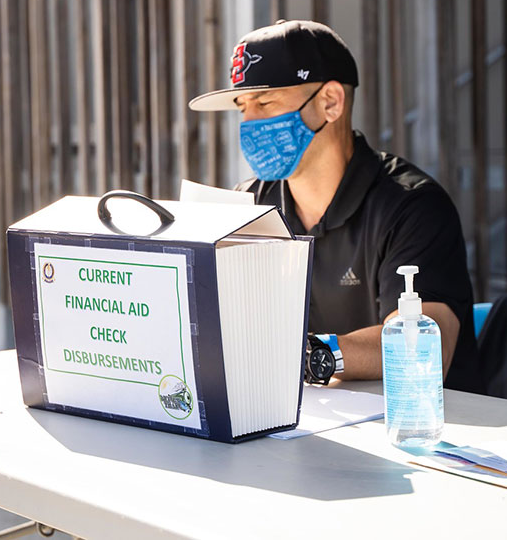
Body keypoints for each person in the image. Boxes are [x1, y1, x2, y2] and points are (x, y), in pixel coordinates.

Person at [188, 20, 480, 392]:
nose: (249, 123)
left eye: (264, 102)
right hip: (302, 428)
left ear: (330, 102)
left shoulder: (414, 207)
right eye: (242, 107)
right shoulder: (251, 204)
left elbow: (423, 349)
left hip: (420, 430)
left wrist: (312, 356)